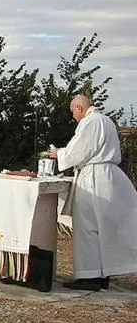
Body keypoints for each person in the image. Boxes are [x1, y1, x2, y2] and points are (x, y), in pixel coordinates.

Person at [47, 95, 137, 291]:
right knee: (104, 227)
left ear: (79, 108)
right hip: (110, 175)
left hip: (94, 177)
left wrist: (58, 154)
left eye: (73, 113)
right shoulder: (107, 121)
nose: (73, 117)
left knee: (88, 227)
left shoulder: (90, 122)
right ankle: (103, 272)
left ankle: (90, 275)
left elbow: (78, 152)